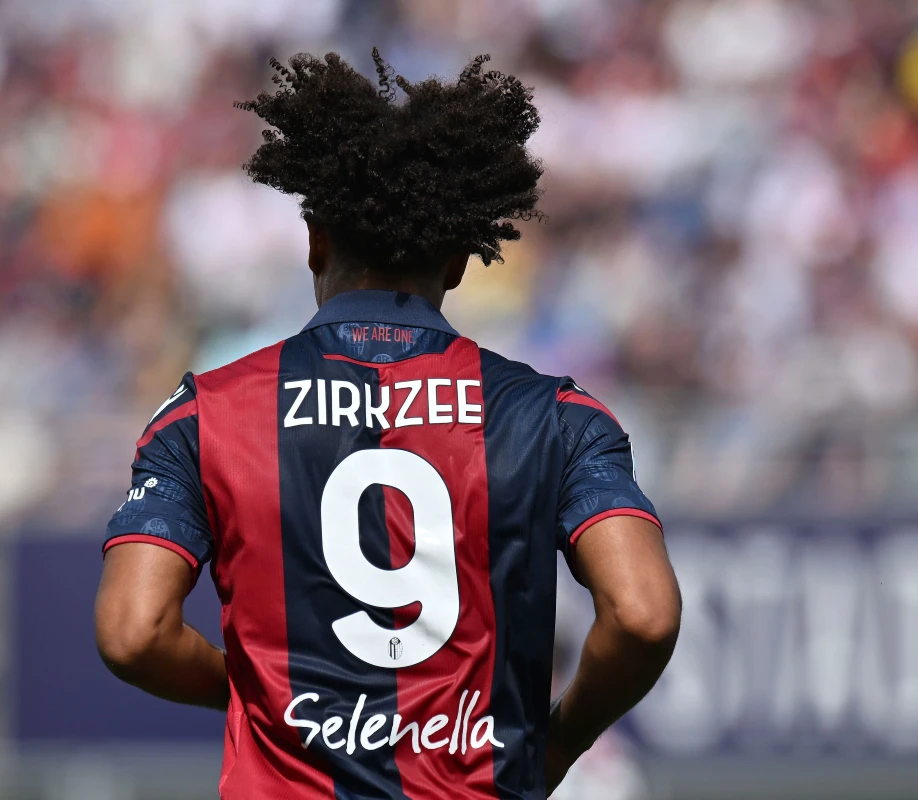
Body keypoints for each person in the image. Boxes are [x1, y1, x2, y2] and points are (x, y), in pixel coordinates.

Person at [94, 49, 681, 799]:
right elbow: (643, 614)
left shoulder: (203, 412)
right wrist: (559, 740)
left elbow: (133, 631)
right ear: (460, 263)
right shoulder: (558, 418)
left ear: (315, 240)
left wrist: (255, 692)